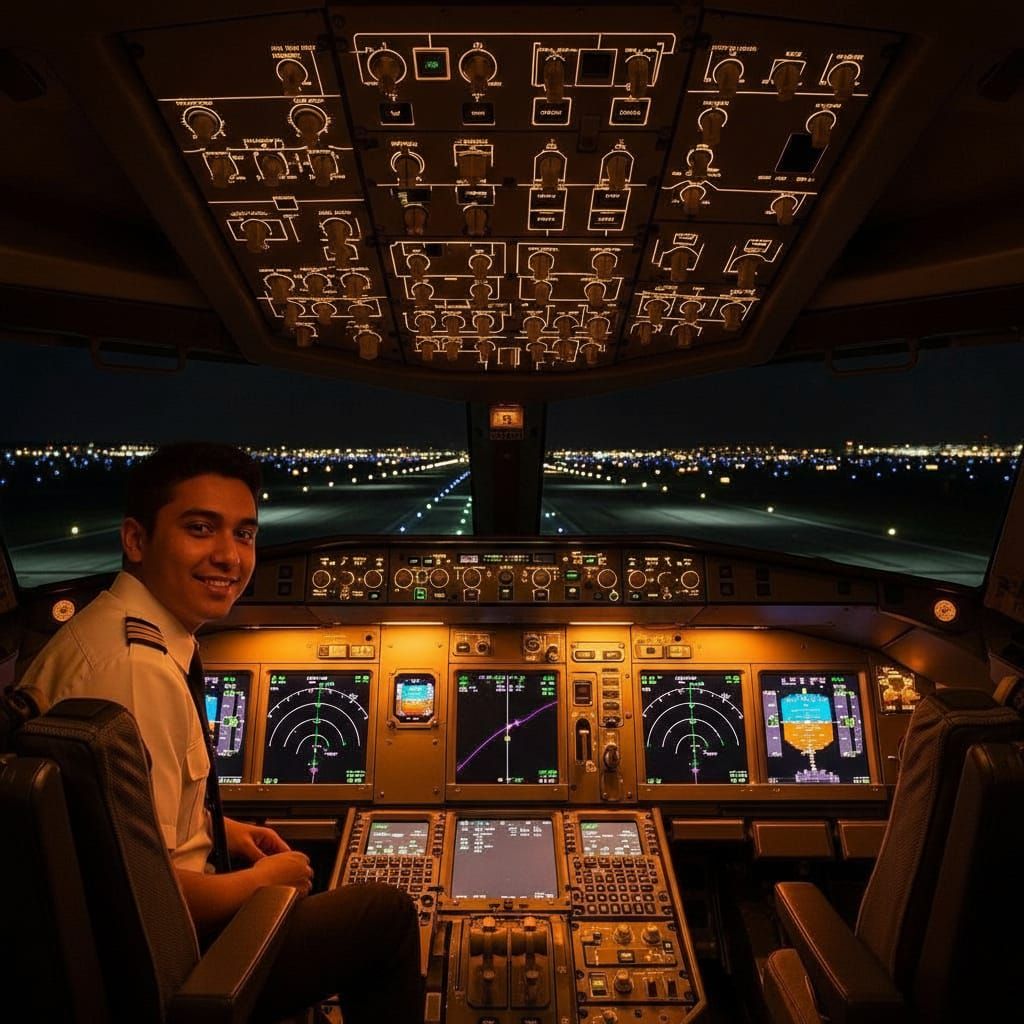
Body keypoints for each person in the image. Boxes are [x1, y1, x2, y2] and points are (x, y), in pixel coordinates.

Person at [17, 442, 423, 1023]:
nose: (229, 556)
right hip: (172, 965)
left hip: (123, 949)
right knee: (384, 917)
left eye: (245, 533)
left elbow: (120, 830)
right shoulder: (137, 673)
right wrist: (263, 883)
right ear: (136, 539)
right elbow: (147, 892)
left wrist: (222, 829)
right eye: (201, 528)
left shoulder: (108, 635)